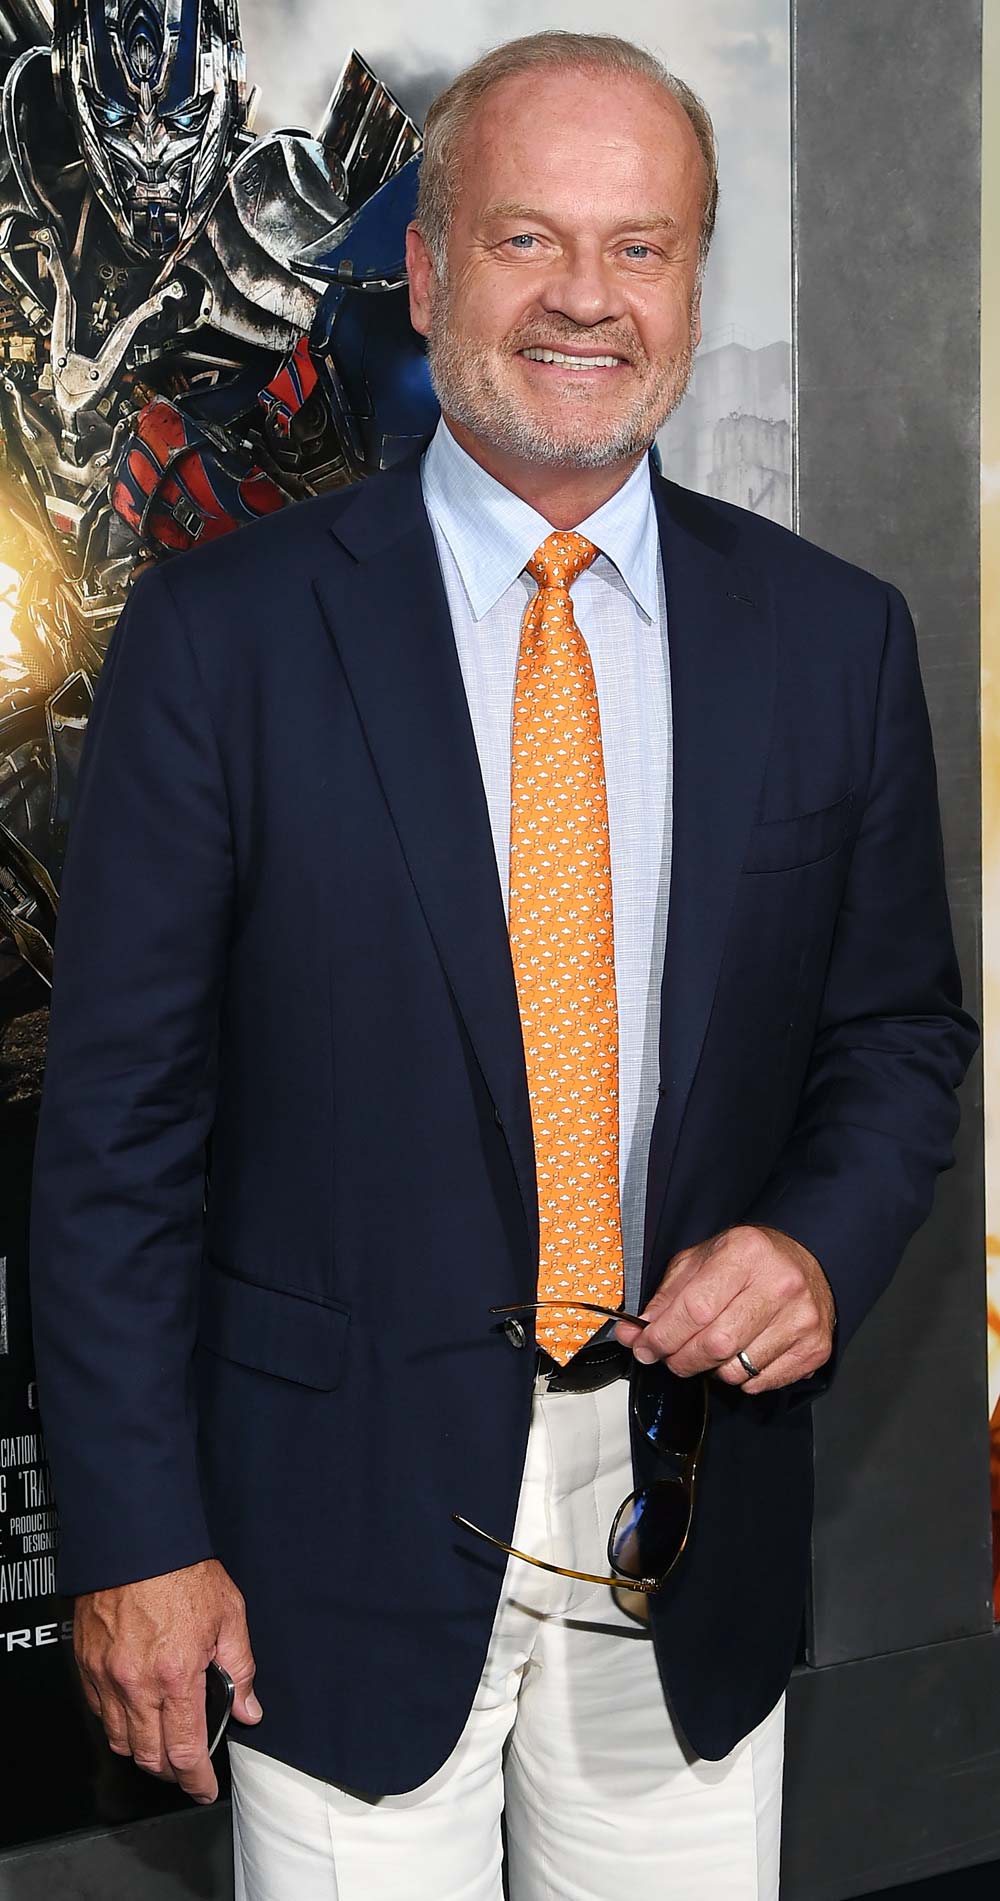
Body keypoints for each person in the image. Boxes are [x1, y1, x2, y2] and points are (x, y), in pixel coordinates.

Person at [29, 29, 977, 1901]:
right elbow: (117, 1136)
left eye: (641, 246)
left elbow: (896, 1038)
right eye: (529, 237)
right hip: (327, 1546)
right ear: (426, 267)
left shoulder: (834, 640)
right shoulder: (222, 642)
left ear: (692, 278)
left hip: (689, 1527)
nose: (586, 298)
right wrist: (135, 1535)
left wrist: (811, 1247)